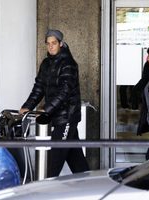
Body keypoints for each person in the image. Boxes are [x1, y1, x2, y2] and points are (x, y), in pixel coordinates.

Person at [19, 29, 89, 177]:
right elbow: (39, 88)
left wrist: (46, 110)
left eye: (54, 43)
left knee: (53, 160)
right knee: (77, 161)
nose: (51, 46)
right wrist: (27, 106)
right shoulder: (46, 64)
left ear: (61, 44)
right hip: (56, 117)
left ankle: (45, 192)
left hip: (66, 118)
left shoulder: (68, 64)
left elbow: (64, 92)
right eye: (48, 43)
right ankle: (93, 187)